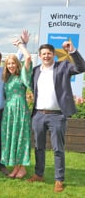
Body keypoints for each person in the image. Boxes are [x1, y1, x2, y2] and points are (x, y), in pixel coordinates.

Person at [27, 41, 85, 192]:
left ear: (53, 55)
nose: (46, 56)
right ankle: (39, 174)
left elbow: (81, 67)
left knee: (58, 148)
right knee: (39, 147)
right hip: (38, 115)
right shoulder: (35, 71)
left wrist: (72, 51)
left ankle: (59, 179)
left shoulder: (63, 67)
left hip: (57, 116)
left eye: (49, 53)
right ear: (40, 56)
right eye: (43, 54)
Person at [0, 30, 30, 176]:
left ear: (0, 61)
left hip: (2, 112)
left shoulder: (5, 73)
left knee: (2, 140)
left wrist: (23, 43)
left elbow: (16, 59)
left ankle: (1, 164)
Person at [0, 38, 32, 179]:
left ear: (17, 64)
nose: (11, 66)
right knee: (11, 137)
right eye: (9, 64)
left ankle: (21, 167)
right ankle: (16, 167)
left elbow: (28, 57)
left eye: (13, 63)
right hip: (9, 112)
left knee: (20, 137)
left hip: (20, 111)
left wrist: (21, 45)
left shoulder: (22, 75)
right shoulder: (8, 78)